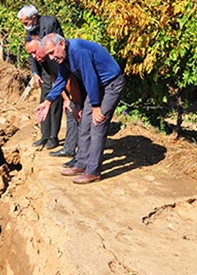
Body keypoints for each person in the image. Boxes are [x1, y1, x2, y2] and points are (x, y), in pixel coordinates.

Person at [34, 33, 125, 184]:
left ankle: (93, 171)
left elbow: (90, 77)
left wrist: (96, 106)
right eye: (48, 54)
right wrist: (48, 101)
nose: (51, 58)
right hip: (98, 87)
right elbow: (62, 79)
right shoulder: (64, 57)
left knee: (98, 124)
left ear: (61, 44)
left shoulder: (78, 50)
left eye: (51, 52)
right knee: (84, 124)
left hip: (111, 85)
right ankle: (81, 164)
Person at [25, 36, 83, 162]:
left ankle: (80, 155)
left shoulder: (54, 58)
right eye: (31, 54)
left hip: (79, 88)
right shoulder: (43, 61)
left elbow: (70, 80)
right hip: (67, 88)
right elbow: (55, 80)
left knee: (76, 113)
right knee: (70, 112)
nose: (34, 56)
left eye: (35, 52)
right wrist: (65, 98)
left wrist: (74, 103)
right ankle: (69, 149)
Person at [17, 4, 64, 150]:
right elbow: (31, 51)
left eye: (26, 23)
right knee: (44, 99)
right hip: (43, 68)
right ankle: (44, 135)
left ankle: (53, 137)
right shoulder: (31, 30)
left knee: (55, 100)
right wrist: (35, 72)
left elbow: (57, 45)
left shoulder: (50, 23)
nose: (25, 26)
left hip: (55, 65)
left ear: (34, 18)